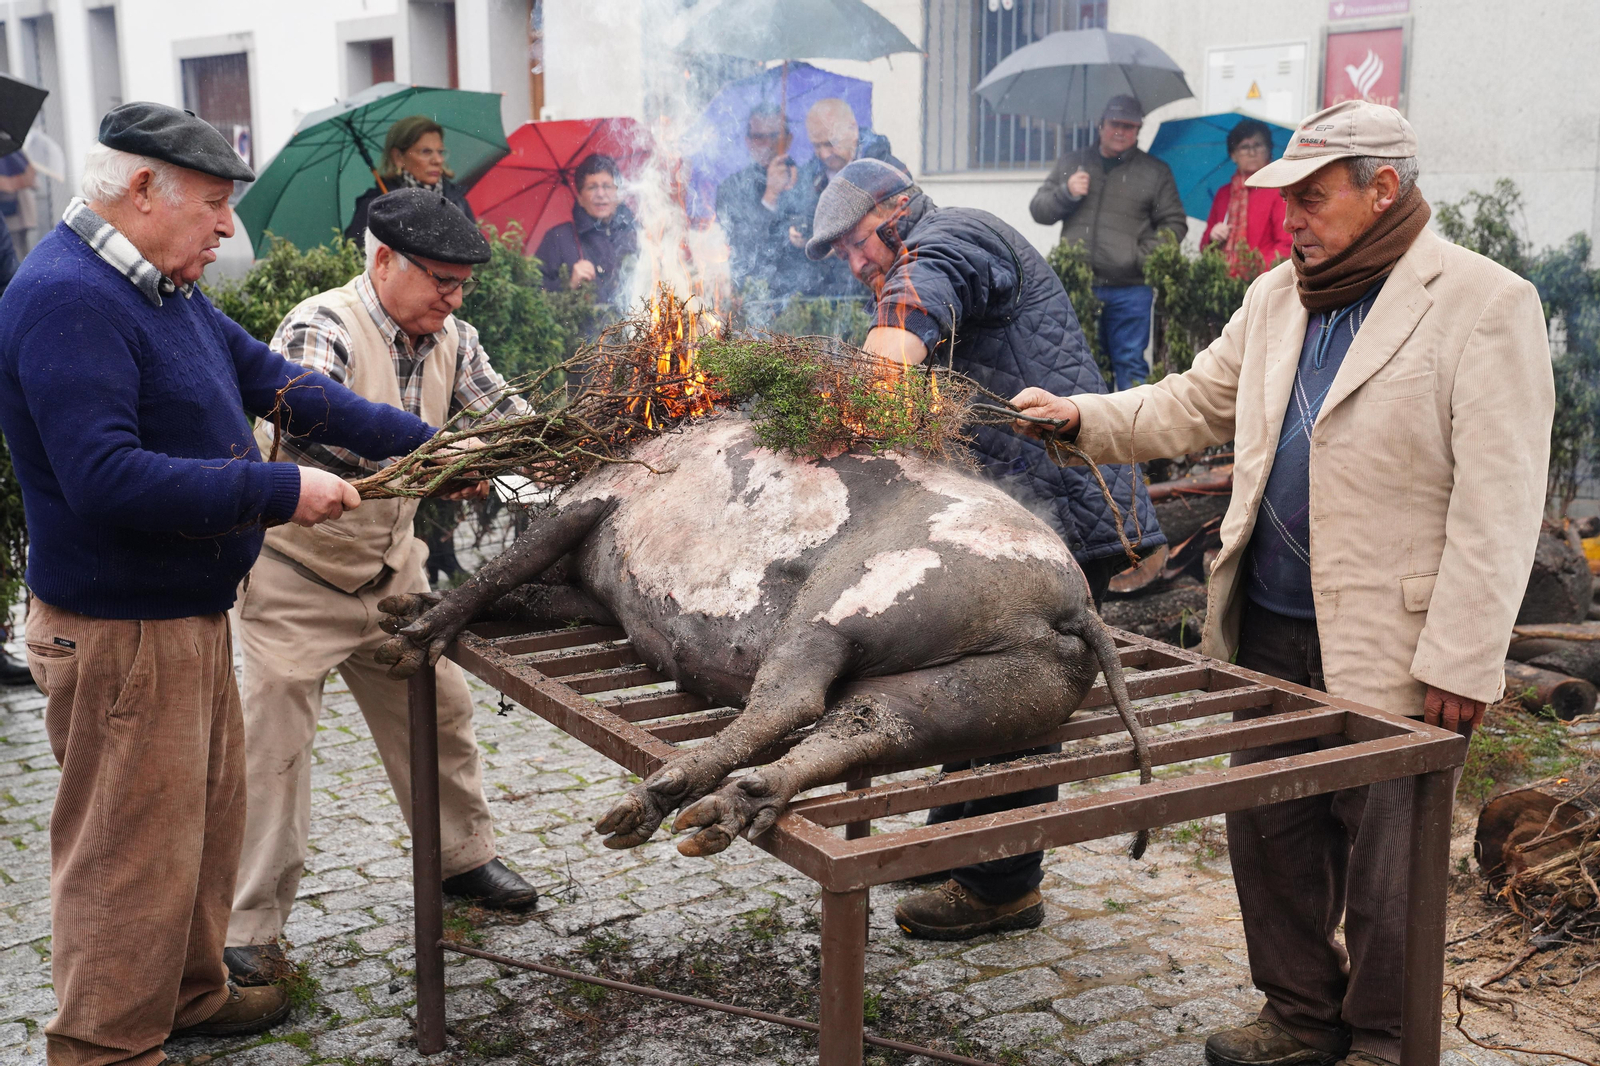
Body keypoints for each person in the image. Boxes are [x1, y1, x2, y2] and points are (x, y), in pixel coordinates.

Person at [1011, 101, 1553, 1066]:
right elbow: (1188, 402)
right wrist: (1079, 417)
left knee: (1391, 858)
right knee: (1271, 832)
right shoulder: (1278, 297)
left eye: (1312, 197)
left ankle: (1386, 1038)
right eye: (1285, 201)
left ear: (1382, 190)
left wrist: (1464, 660)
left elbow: (1500, 505)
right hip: (1265, 617)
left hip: (1398, 640)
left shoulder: (1483, 302)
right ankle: (1301, 1015)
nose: (1290, 219)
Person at [0, 102, 441, 1061]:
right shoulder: (68, 297)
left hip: (187, 610)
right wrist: (281, 487)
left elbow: (282, 382)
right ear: (143, 189)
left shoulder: (163, 288)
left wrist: (435, 448)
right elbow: (105, 477)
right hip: (121, 630)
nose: (228, 226)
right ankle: (104, 1047)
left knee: (201, 825)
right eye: (213, 203)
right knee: (128, 856)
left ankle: (193, 993)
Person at [806, 158, 1164, 940]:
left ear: (897, 210)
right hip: (1017, 515)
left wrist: (853, 397)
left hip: (1064, 506)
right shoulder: (925, 248)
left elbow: (914, 305)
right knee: (979, 679)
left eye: (856, 241)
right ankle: (953, 837)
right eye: (838, 252)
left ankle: (1001, 885)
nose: (852, 260)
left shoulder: (953, 237)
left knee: (1019, 697)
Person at [224, 189, 540, 984]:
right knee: (272, 752)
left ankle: (460, 860)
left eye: (463, 284)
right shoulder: (319, 325)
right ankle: (247, 927)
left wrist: (543, 456)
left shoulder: (453, 339)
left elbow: (501, 417)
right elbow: (316, 435)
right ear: (384, 260)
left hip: (390, 570)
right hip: (295, 575)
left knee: (441, 712)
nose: (454, 298)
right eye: (442, 279)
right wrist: (445, 468)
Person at [1030, 95, 1187, 390]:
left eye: (1129, 126)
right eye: (1115, 123)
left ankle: (1131, 435)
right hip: (1079, 288)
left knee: (1130, 365)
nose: (1121, 131)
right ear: (1101, 125)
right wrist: (1066, 192)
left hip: (1130, 290)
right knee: (1080, 366)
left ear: (1138, 130)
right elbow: (1039, 210)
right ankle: (1086, 433)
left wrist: (1138, 257)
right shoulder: (1073, 163)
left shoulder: (1155, 172)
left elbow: (1174, 224)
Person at [779, 98, 904, 296]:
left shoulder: (887, 170)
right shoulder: (807, 178)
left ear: (852, 129)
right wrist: (796, 233)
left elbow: (899, 231)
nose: (824, 154)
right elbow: (787, 223)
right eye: (816, 146)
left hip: (876, 287)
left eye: (830, 143)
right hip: (820, 295)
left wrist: (840, 245)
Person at [345, 115, 475, 247]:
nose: (438, 160)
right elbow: (358, 259)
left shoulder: (457, 202)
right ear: (398, 157)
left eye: (440, 152)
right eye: (426, 152)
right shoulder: (378, 207)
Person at [716, 104, 805, 294]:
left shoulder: (810, 182)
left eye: (775, 136)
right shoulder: (732, 188)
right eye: (759, 137)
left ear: (788, 139)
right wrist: (770, 196)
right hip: (754, 296)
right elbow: (740, 248)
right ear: (748, 142)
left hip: (805, 297)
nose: (768, 145)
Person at [537, 152, 638, 305]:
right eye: (592, 187)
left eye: (607, 186)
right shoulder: (558, 238)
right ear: (580, 198)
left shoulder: (637, 233)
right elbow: (533, 293)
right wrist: (569, 284)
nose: (600, 194)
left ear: (618, 193)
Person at [1201, 118, 1293, 277]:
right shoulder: (1224, 194)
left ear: (1269, 150)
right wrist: (1212, 236)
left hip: (1262, 281)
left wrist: (1254, 275)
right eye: (1244, 147)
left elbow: (1286, 244)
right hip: (1224, 283)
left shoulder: (1279, 190)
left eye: (1258, 145)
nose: (1252, 152)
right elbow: (1204, 247)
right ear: (1233, 155)